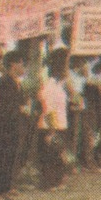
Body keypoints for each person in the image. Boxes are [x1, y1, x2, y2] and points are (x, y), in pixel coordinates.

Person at [0, 53, 29, 200]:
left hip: (14, 126)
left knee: (11, 157)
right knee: (2, 158)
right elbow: (4, 105)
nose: (23, 67)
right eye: (21, 64)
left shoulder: (15, 82)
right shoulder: (4, 81)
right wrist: (20, 109)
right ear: (13, 64)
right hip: (4, 127)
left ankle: (6, 188)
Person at [37, 50, 72, 190]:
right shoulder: (49, 86)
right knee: (51, 156)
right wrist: (51, 132)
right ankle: (49, 182)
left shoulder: (59, 85)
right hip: (50, 126)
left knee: (57, 156)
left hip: (60, 124)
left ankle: (57, 180)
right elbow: (48, 110)